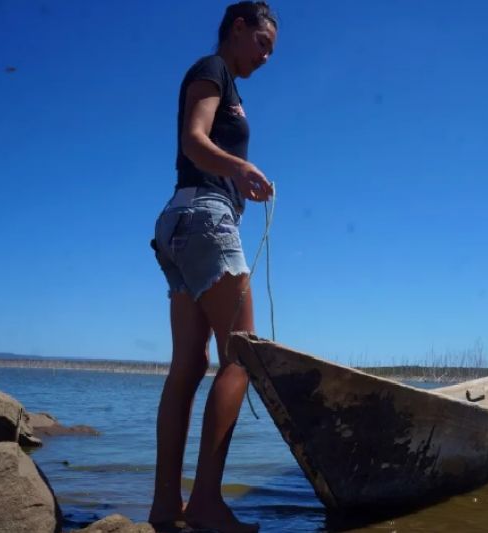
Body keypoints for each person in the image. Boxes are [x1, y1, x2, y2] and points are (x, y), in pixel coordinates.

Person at [148, 3, 277, 532]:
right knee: (241, 357)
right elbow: (193, 141)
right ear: (239, 28)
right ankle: (203, 503)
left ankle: (163, 508)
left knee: (189, 364)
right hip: (204, 216)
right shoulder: (212, 69)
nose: (266, 57)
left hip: (179, 224)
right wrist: (240, 167)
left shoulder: (227, 81)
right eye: (263, 43)